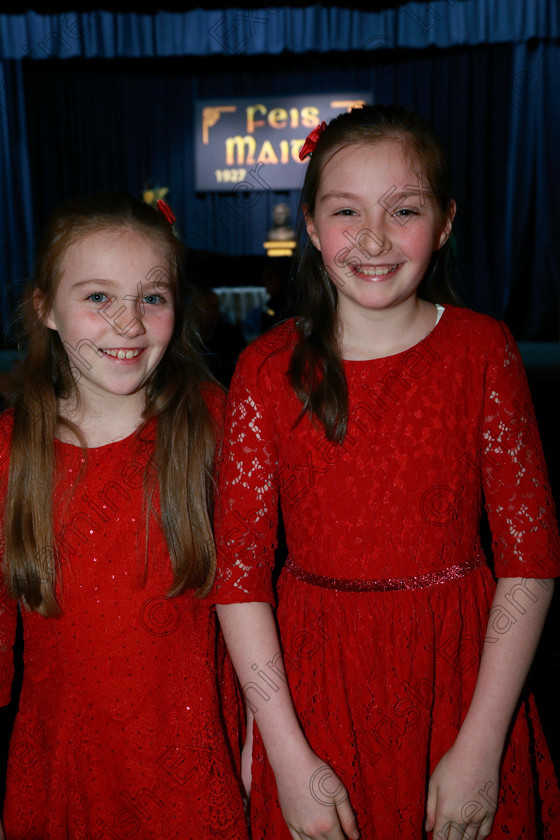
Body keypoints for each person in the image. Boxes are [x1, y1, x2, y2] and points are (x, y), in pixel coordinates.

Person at [210, 105, 560, 839]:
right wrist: (283, 747)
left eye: (403, 211)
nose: (372, 239)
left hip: (460, 679)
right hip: (314, 689)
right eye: (346, 212)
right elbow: (239, 581)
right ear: (309, 225)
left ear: (445, 222)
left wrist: (480, 745)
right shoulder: (267, 370)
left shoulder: (482, 351)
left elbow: (530, 563)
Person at [0, 191, 249, 840]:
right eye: (98, 297)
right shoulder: (10, 448)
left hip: (196, 771)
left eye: (152, 298)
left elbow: (260, 606)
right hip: (65, 775)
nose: (128, 323)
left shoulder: (217, 426)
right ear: (44, 308)